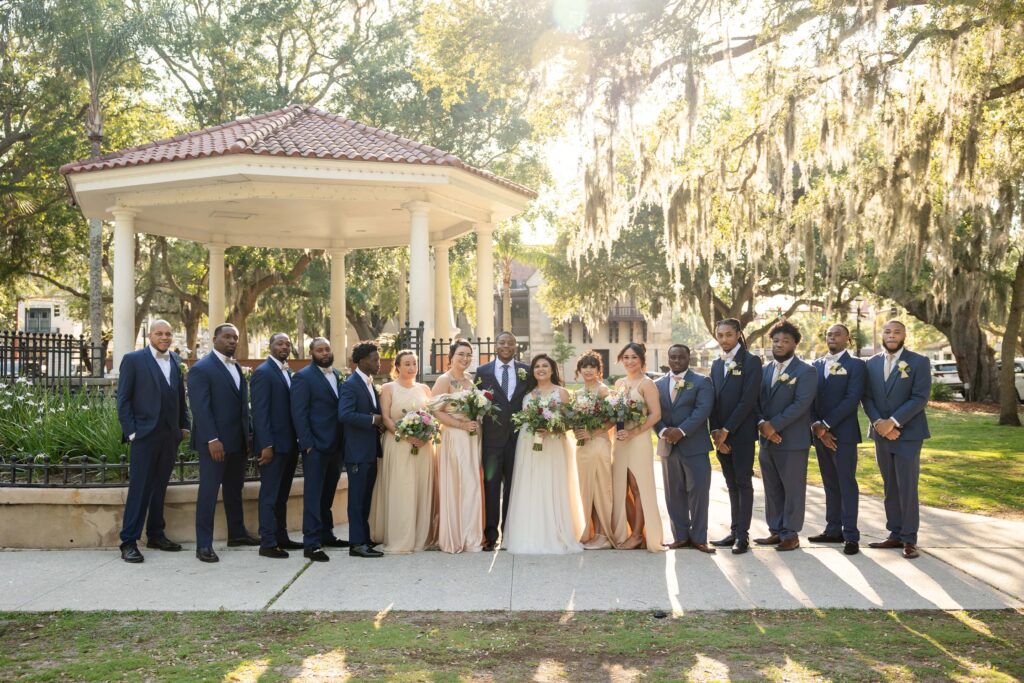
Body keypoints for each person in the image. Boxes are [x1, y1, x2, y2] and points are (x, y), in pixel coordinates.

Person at [115, 320, 189, 563]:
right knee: (140, 489)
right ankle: (128, 541)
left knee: (160, 487)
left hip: (169, 436)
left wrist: (183, 426)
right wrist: (132, 432)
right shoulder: (133, 360)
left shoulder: (177, 362)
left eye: (168, 333)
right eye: (159, 333)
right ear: (150, 335)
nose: (165, 337)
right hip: (144, 436)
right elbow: (123, 399)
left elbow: (179, 397)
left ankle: (156, 534)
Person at [188, 323, 257, 563]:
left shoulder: (236, 366)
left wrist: (248, 434)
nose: (232, 341)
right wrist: (212, 439)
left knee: (234, 489)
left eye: (235, 337)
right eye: (227, 337)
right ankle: (203, 545)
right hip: (214, 443)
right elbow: (200, 408)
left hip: (237, 442)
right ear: (215, 339)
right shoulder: (201, 369)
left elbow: (242, 406)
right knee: (208, 492)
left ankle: (237, 533)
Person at [862, 320, 932, 559]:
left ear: (904, 335)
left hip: (908, 434)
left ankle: (910, 539)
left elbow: (920, 397)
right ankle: (895, 533)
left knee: (907, 487)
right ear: (882, 335)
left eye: (897, 332)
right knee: (890, 485)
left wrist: (893, 421)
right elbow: (867, 397)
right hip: (881, 434)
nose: (892, 335)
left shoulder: (918, 362)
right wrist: (879, 424)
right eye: (888, 331)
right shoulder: (870, 363)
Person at [503, 354, 584, 554]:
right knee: (532, 486)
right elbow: (524, 421)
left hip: (554, 445)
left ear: (552, 370)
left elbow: (569, 422)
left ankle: (556, 532)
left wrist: (552, 429)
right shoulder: (528, 396)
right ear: (533, 371)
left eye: (545, 366)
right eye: (537, 366)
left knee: (553, 484)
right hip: (530, 445)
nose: (540, 369)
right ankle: (530, 533)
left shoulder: (562, 393)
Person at [754, 321, 817, 551]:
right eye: (776, 341)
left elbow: (801, 404)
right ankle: (776, 530)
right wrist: (762, 424)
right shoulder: (765, 370)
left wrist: (774, 426)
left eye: (785, 341)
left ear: (795, 344)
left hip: (792, 440)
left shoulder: (806, 371)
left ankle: (791, 533)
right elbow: (757, 401)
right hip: (766, 439)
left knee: (792, 488)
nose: (779, 345)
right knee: (771, 487)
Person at [370, 350, 437, 553]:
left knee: (420, 488)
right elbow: (386, 418)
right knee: (401, 489)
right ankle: (400, 536)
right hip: (398, 443)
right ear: (397, 366)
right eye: (407, 363)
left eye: (414, 363)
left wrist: (425, 437)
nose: (411, 367)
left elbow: (433, 418)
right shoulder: (389, 388)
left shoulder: (425, 388)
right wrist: (406, 436)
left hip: (423, 447)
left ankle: (420, 537)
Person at [809, 324, 866, 555]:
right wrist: (817, 428)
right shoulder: (815, 366)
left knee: (846, 483)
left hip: (844, 434)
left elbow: (852, 399)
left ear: (847, 339)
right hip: (820, 436)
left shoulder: (856, 365)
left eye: (837, 334)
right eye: (828, 335)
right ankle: (833, 529)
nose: (832, 338)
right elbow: (809, 399)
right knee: (829, 483)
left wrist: (827, 425)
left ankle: (851, 535)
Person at [290, 337, 349, 562]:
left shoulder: (337, 375)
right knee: (313, 496)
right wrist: (308, 445)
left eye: (327, 349)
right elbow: (299, 413)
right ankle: (311, 543)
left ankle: (327, 533)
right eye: (320, 350)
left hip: (336, 446)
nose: (324, 353)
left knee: (327, 494)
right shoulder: (303, 377)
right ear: (311, 353)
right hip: (315, 447)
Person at [654, 343, 716, 553]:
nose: (677, 361)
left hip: (694, 446)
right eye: (673, 357)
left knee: (698, 492)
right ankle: (680, 536)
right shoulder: (658, 384)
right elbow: (653, 413)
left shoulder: (701, 381)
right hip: (668, 447)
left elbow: (702, 410)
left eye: (681, 357)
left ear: (689, 358)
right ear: (668, 358)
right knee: (674, 494)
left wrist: (680, 431)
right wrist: (663, 432)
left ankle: (699, 538)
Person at [708, 318, 763, 555]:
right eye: (720, 335)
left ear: (739, 334)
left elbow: (748, 400)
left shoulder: (751, 362)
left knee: (743, 482)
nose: (724, 340)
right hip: (721, 436)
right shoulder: (716, 364)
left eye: (729, 335)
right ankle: (734, 530)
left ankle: (743, 535)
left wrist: (727, 431)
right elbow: (713, 401)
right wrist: (715, 432)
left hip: (741, 434)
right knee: (730, 485)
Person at [474, 331, 530, 550]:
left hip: (518, 439)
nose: (506, 346)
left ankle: (509, 533)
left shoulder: (526, 371)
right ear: (495, 345)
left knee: (513, 488)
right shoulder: (482, 372)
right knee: (491, 488)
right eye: (502, 342)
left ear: (516, 347)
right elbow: (476, 402)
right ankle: (490, 535)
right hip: (492, 440)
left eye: (510, 343)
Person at [250, 332, 302, 559]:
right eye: (280, 343)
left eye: (287, 344)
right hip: (273, 446)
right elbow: (260, 413)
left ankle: (281, 537)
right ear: (269, 346)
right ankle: (267, 542)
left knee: (282, 496)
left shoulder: (288, 372)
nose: (284, 347)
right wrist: (266, 445)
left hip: (289, 445)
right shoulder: (263, 373)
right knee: (270, 495)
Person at [609, 342, 664, 552]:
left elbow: (656, 414)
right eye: (626, 357)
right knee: (622, 487)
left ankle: (638, 535)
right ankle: (630, 529)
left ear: (642, 359)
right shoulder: (619, 383)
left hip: (638, 440)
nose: (630, 361)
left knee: (638, 486)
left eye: (634, 357)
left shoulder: (647, 384)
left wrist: (633, 432)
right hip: (621, 441)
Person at [431, 339, 484, 553]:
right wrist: (461, 424)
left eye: (469, 355)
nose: (465, 358)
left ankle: (471, 535)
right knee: (456, 485)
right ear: (450, 357)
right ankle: (454, 536)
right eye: (461, 354)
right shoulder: (445, 380)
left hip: (471, 438)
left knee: (470, 486)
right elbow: (436, 410)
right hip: (454, 436)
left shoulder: (471, 381)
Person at [338, 340, 385, 558]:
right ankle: (356, 544)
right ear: (362, 361)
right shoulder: (350, 384)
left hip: (369, 451)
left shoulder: (369, 383)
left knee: (365, 499)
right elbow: (345, 414)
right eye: (375, 359)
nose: (378, 363)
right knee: (356, 500)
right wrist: (372, 420)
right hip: (357, 452)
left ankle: (364, 539)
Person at [572, 351, 614, 550]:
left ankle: (604, 534)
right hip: (583, 447)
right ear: (579, 370)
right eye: (584, 367)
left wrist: (591, 433)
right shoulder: (578, 394)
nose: (588, 370)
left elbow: (611, 420)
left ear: (599, 370)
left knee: (601, 488)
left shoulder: (603, 390)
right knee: (584, 489)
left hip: (598, 443)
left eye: (592, 367)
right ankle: (586, 531)